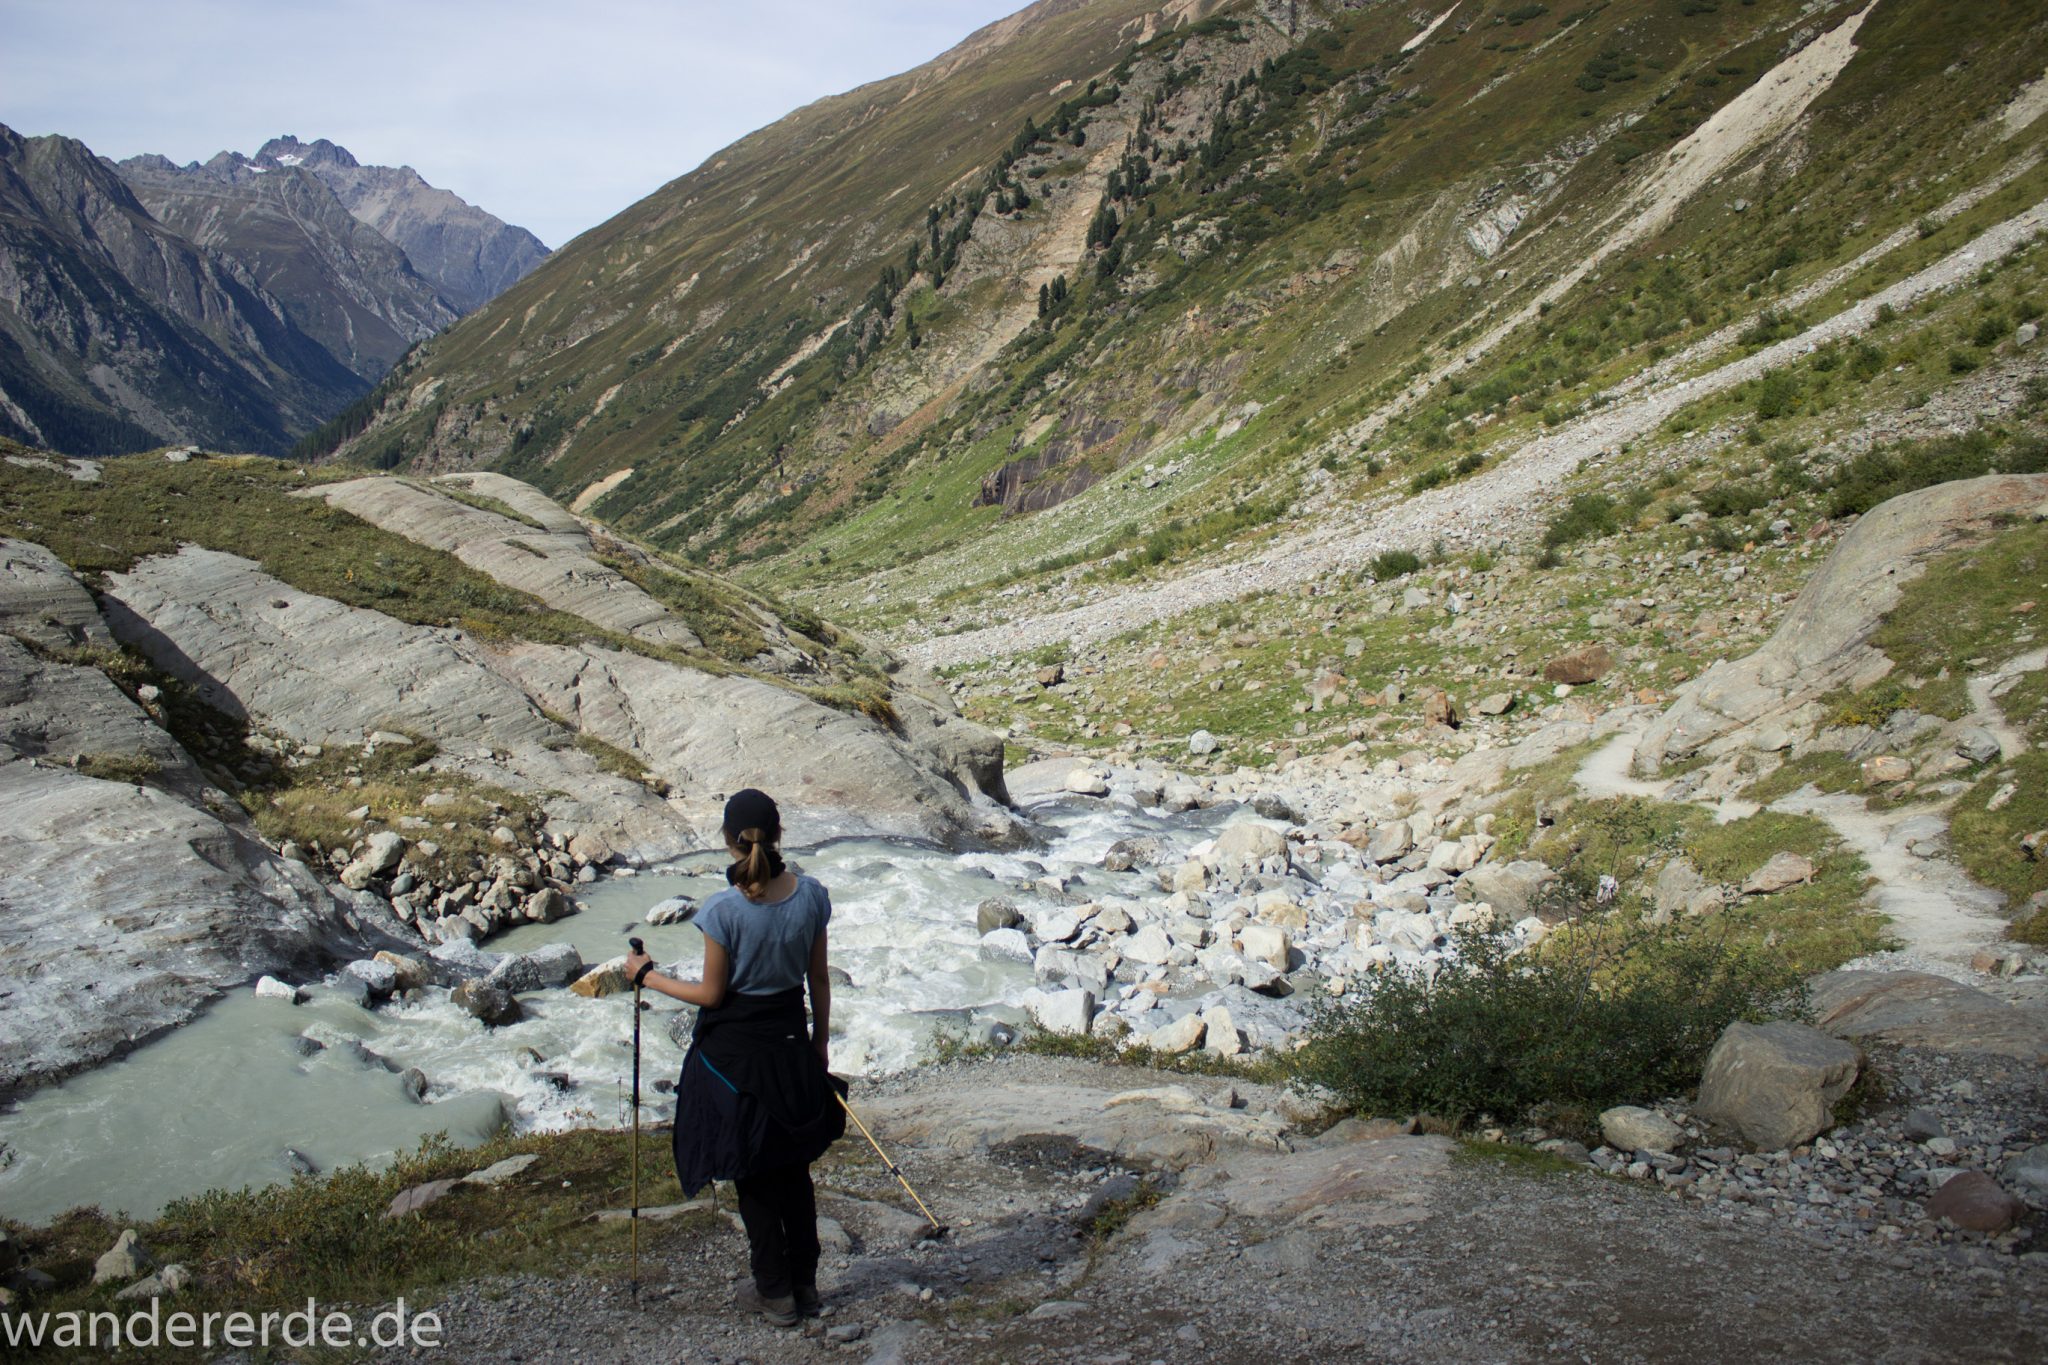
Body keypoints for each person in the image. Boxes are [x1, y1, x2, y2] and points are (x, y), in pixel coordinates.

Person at [623, 789, 845, 1327]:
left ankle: (774, 1292)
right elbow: (817, 979)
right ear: (779, 833)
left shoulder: (721, 910)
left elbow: (712, 996)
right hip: (792, 1044)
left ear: (727, 840)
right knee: (794, 1170)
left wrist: (646, 976)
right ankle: (805, 1287)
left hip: (734, 1058)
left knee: (754, 1172)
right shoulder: (812, 896)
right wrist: (820, 1045)